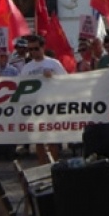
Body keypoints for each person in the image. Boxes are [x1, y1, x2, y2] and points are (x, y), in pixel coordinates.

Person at [21, 34, 67, 164]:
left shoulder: (53, 63)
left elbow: (67, 81)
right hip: (35, 107)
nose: (33, 52)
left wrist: (53, 77)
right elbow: (21, 88)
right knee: (38, 140)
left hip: (51, 106)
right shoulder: (27, 68)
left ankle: (55, 165)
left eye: (36, 48)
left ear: (43, 47)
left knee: (52, 138)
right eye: (30, 49)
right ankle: (42, 166)